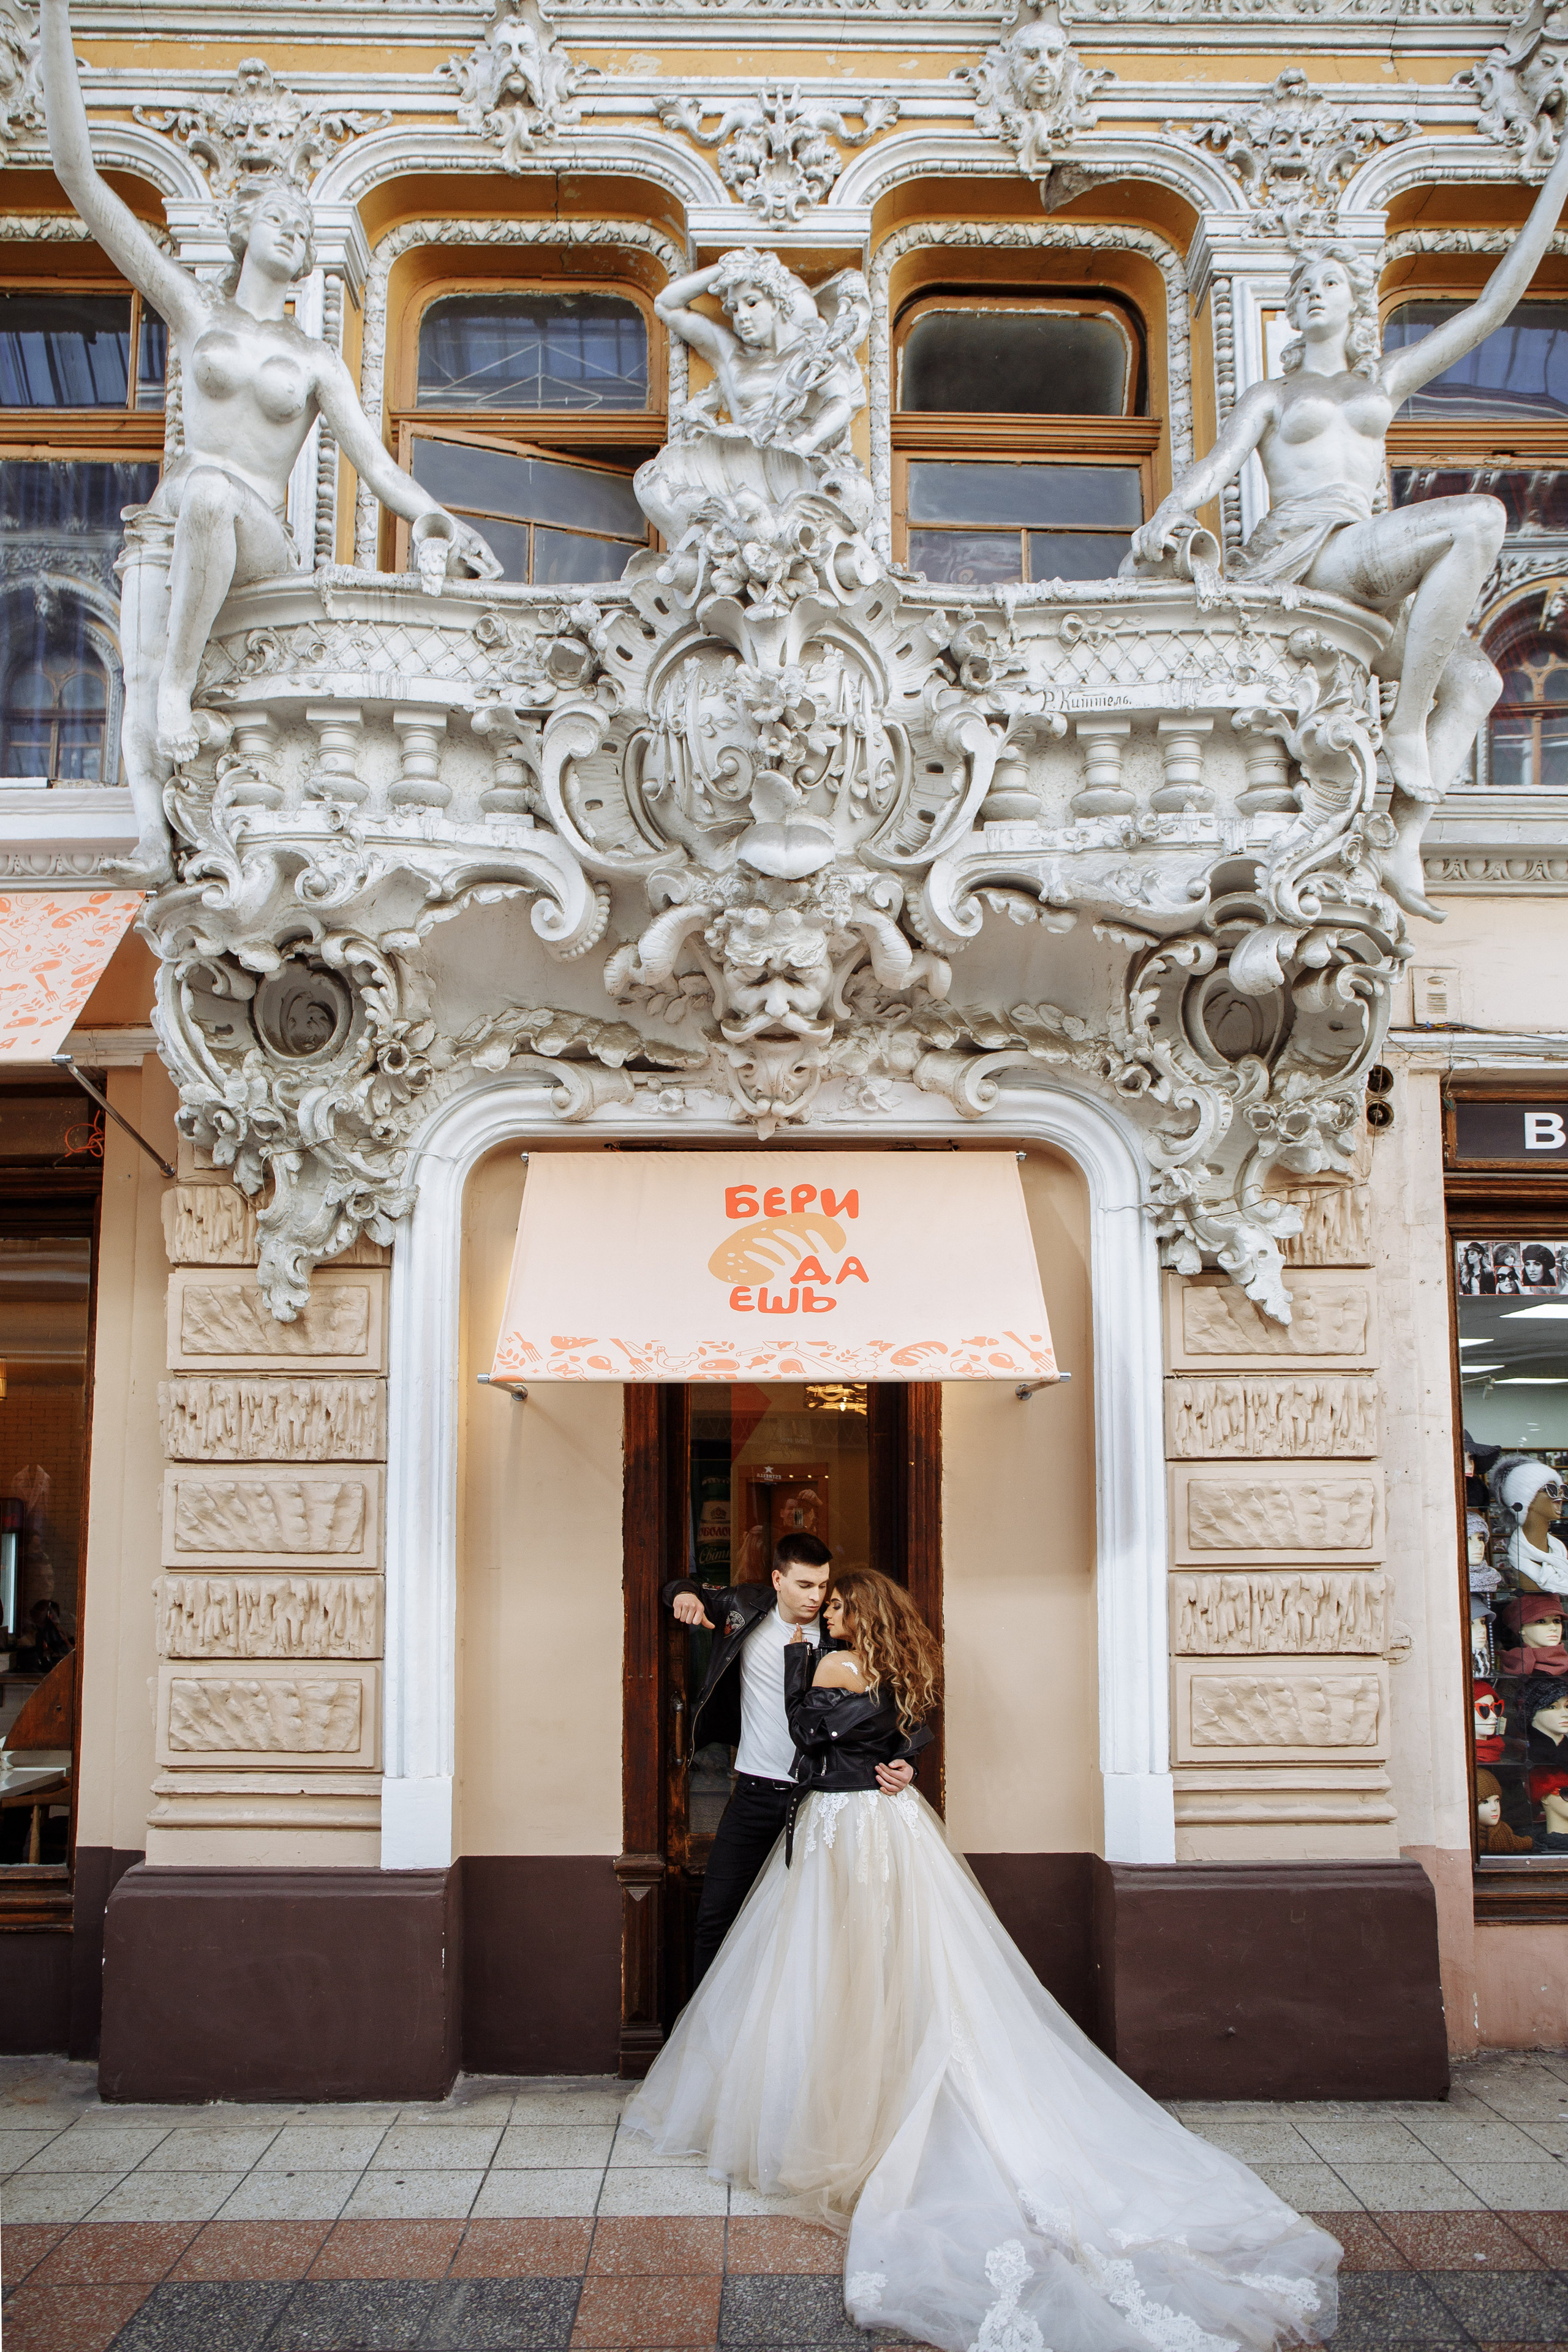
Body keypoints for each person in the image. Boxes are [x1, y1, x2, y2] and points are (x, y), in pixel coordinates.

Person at [626, 1569, 1340, 2352]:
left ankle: (836, 2105)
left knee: (829, 1967)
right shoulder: (901, 1671)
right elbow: (903, 1736)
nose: (825, 1612)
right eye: (819, 1599)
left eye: (835, 1603)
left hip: (843, 1829)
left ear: (858, 1613)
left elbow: (805, 1736)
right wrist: (896, 1761)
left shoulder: (827, 1663)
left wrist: (807, 1670)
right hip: (891, 1826)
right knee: (899, 1961)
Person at [38, 0, 499, 881]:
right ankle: (150, 835)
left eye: (305, 225)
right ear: (245, 227)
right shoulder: (193, 311)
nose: (294, 229)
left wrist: (439, 517)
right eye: (280, 216)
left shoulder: (314, 357)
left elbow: (376, 465)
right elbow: (80, 176)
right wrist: (51, 22)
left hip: (256, 534)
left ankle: (182, 690)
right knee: (141, 664)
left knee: (209, 497)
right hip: (172, 527)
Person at [1130, 131, 1568, 923]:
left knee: (1477, 681)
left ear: (1352, 298)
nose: (1311, 294)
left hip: (1373, 569)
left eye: (1327, 282)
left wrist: (1560, 174)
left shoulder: (1386, 379)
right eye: (1300, 287)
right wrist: (1166, 514)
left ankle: (1402, 838)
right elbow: (1218, 466)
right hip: (1315, 556)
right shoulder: (1270, 392)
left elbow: (1495, 306)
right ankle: (1405, 728)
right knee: (1477, 517)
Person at [664, 1532, 915, 1986]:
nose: (817, 1598)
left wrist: (908, 1758)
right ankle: (705, 2038)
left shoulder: (841, 1635)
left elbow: (897, 1702)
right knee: (716, 1917)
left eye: (823, 1586)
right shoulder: (745, 1607)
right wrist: (683, 1594)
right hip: (754, 1794)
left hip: (820, 1798)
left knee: (819, 1929)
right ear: (777, 1580)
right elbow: (685, 1586)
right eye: (804, 1585)